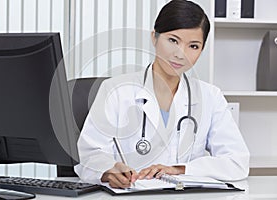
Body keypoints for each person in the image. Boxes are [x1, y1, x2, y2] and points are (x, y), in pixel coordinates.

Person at [75, 0, 250, 188]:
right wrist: (109, 171)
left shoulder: (210, 96)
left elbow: (237, 162)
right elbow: (90, 155)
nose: (180, 54)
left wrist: (180, 169)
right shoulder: (115, 91)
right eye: (173, 40)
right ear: (154, 38)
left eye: (193, 46)